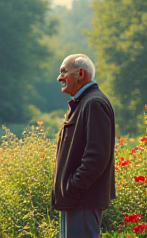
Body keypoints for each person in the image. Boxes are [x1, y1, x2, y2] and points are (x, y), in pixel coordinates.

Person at [51, 54, 116, 238]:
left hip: (82, 201)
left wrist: (74, 187)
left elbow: (97, 156)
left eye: (63, 71)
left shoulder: (94, 103)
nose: (59, 78)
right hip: (75, 200)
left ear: (80, 73)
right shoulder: (83, 103)